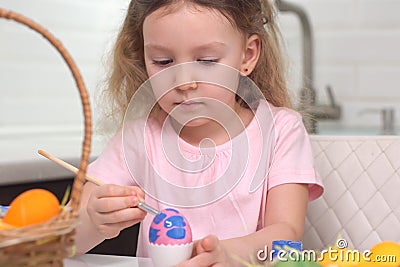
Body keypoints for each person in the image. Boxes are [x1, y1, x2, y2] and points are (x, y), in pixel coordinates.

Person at [75, 0, 324, 266]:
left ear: (248, 55)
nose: (184, 82)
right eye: (163, 61)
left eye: (206, 61)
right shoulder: (138, 138)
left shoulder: (281, 130)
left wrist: (228, 255)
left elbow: (286, 235)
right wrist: (93, 221)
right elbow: (65, 241)